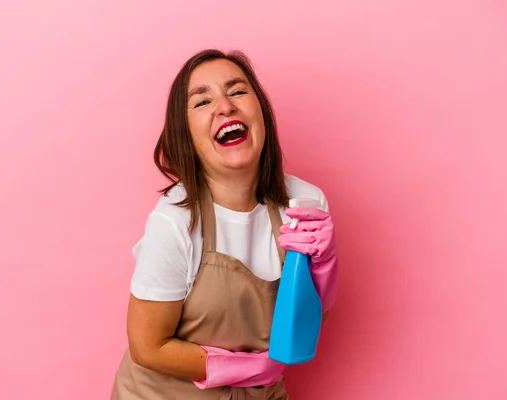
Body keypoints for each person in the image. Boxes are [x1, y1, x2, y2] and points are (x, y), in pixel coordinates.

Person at [110, 48, 338, 399]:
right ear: (186, 136)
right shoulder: (175, 221)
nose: (225, 106)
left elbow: (303, 327)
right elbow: (147, 346)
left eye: (237, 91)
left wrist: (325, 271)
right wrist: (244, 369)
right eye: (202, 102)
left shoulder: (304, 205)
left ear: (260, 111)